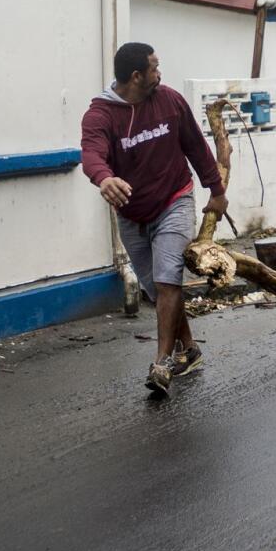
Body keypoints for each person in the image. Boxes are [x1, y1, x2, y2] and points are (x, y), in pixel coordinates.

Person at [80, 42, 228, 398]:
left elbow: (195, 144)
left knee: (167, 280)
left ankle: (162, 363)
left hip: (174, 199)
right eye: (154, 67)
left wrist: (217, 191)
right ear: (136, 76)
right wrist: (104, 178)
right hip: (132, 215)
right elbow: (91, 153)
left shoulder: (170, 100)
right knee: (158, 290)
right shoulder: (101, 115)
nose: (159, 73)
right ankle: (189, 349)